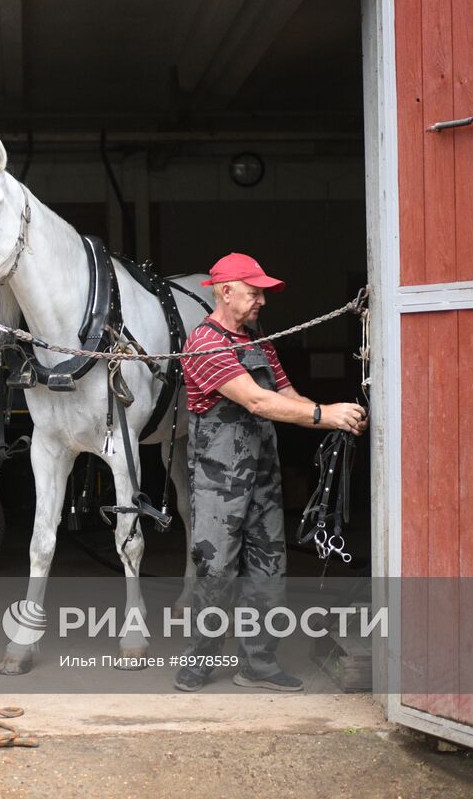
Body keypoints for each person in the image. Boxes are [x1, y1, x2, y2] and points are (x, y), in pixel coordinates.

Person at [173, 252, 367, 693]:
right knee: (216, 571)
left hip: (263, 478)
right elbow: (257, 401)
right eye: (254, 291)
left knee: (268, 569)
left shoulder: (259, 340)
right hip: (219, 484)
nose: (262, 300)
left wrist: (336, 416)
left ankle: (258, 663)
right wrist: (325, 415)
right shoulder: (204, 343)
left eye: (263, 293)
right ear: (226, 292)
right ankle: (200, 659)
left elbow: (286, 393)